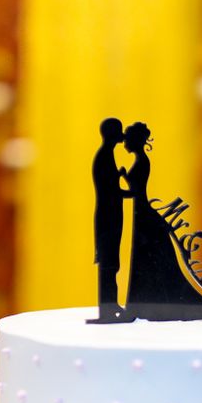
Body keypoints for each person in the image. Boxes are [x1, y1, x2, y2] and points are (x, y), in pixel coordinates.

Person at [122, 122, 202, 321]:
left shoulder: (141, 162)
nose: (125, 143)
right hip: (142, 212)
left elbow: (133, 191)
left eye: (128, 139)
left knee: (146, 259)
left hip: (143, 212)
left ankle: (144, 305)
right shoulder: (141, 160)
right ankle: (141, 305)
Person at [88, 117, 131, 324]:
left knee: (112, 262)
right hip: (108, 215)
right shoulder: (104, 156)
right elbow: (108, 191)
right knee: (108, 263)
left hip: (112, 213)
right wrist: (130, 191)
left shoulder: (107, 155)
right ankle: (107, 308)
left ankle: (110, 304)